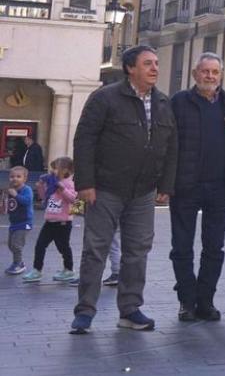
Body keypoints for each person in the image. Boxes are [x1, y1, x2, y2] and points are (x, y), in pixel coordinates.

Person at [71, 45, 177, 334]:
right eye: (148, 64)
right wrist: (85, 183)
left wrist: (166, 185)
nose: (155, 68)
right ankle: (85, 312)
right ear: (131, 68)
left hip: (143, 191)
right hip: (105, 188)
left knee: (137, 250)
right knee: (96, 250)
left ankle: (130, 310)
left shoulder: (164, 103)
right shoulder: (105, 98)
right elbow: (84, 140)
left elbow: (171, 147)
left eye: (156, 63)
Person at [168, 53, 225, 322]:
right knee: (182, 247)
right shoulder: (179, 102)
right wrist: (165, 183)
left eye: (215, 72)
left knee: (214, 247)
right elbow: (168, 143)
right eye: (205, 71)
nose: (210, 76)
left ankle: (206, 300)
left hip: (220, 187)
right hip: (186, 186)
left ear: (221, 76)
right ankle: (186, 301)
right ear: (195, 74)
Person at [24, 157, 76, 282]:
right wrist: (41, 186)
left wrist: (62, 190)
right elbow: (44, 198)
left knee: (63, 247)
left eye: (55, 168)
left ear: (65, 170)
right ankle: (37, 270)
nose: (53, 171)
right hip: (49, 221)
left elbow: (74, 200)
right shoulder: (52, 183)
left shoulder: (70, 184)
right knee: (40, 245)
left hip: (63, 222)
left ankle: (68, 270)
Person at [5, 165, 32, 275]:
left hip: (24, 222)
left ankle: (18, 264)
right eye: (12, 177)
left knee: (16, 245)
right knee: (10, 245)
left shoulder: (27, 189)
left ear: (24, 178)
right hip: (14, 222)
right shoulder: (11, 190)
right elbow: (10, 204)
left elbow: (26, 202)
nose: (14, 178)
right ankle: (18, 261)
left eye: (18, 176)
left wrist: (16, 195)